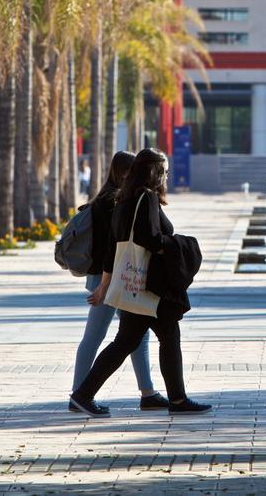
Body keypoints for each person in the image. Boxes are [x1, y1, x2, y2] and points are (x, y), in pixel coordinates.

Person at [70, 148, 212, 417]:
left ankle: (175, 399)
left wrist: (105, 285)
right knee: (135, 341)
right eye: (165, 171)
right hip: (149, 283)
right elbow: (149, 239)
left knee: (157, 337)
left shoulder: (124, 198)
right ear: (155, 172)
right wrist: (180, 243)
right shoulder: (145, 198)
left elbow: (115, 248)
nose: (167, 177)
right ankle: (84, 394)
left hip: (137, 283)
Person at [69, 151, 167, 413]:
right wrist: (104, 284)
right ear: (125, 172)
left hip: (109, 276)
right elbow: (111, 247)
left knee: (132, 334)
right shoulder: (115, 202)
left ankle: (147, 391)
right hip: (112, 277)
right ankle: (79, 394)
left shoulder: (108, 199)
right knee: (102, 335)